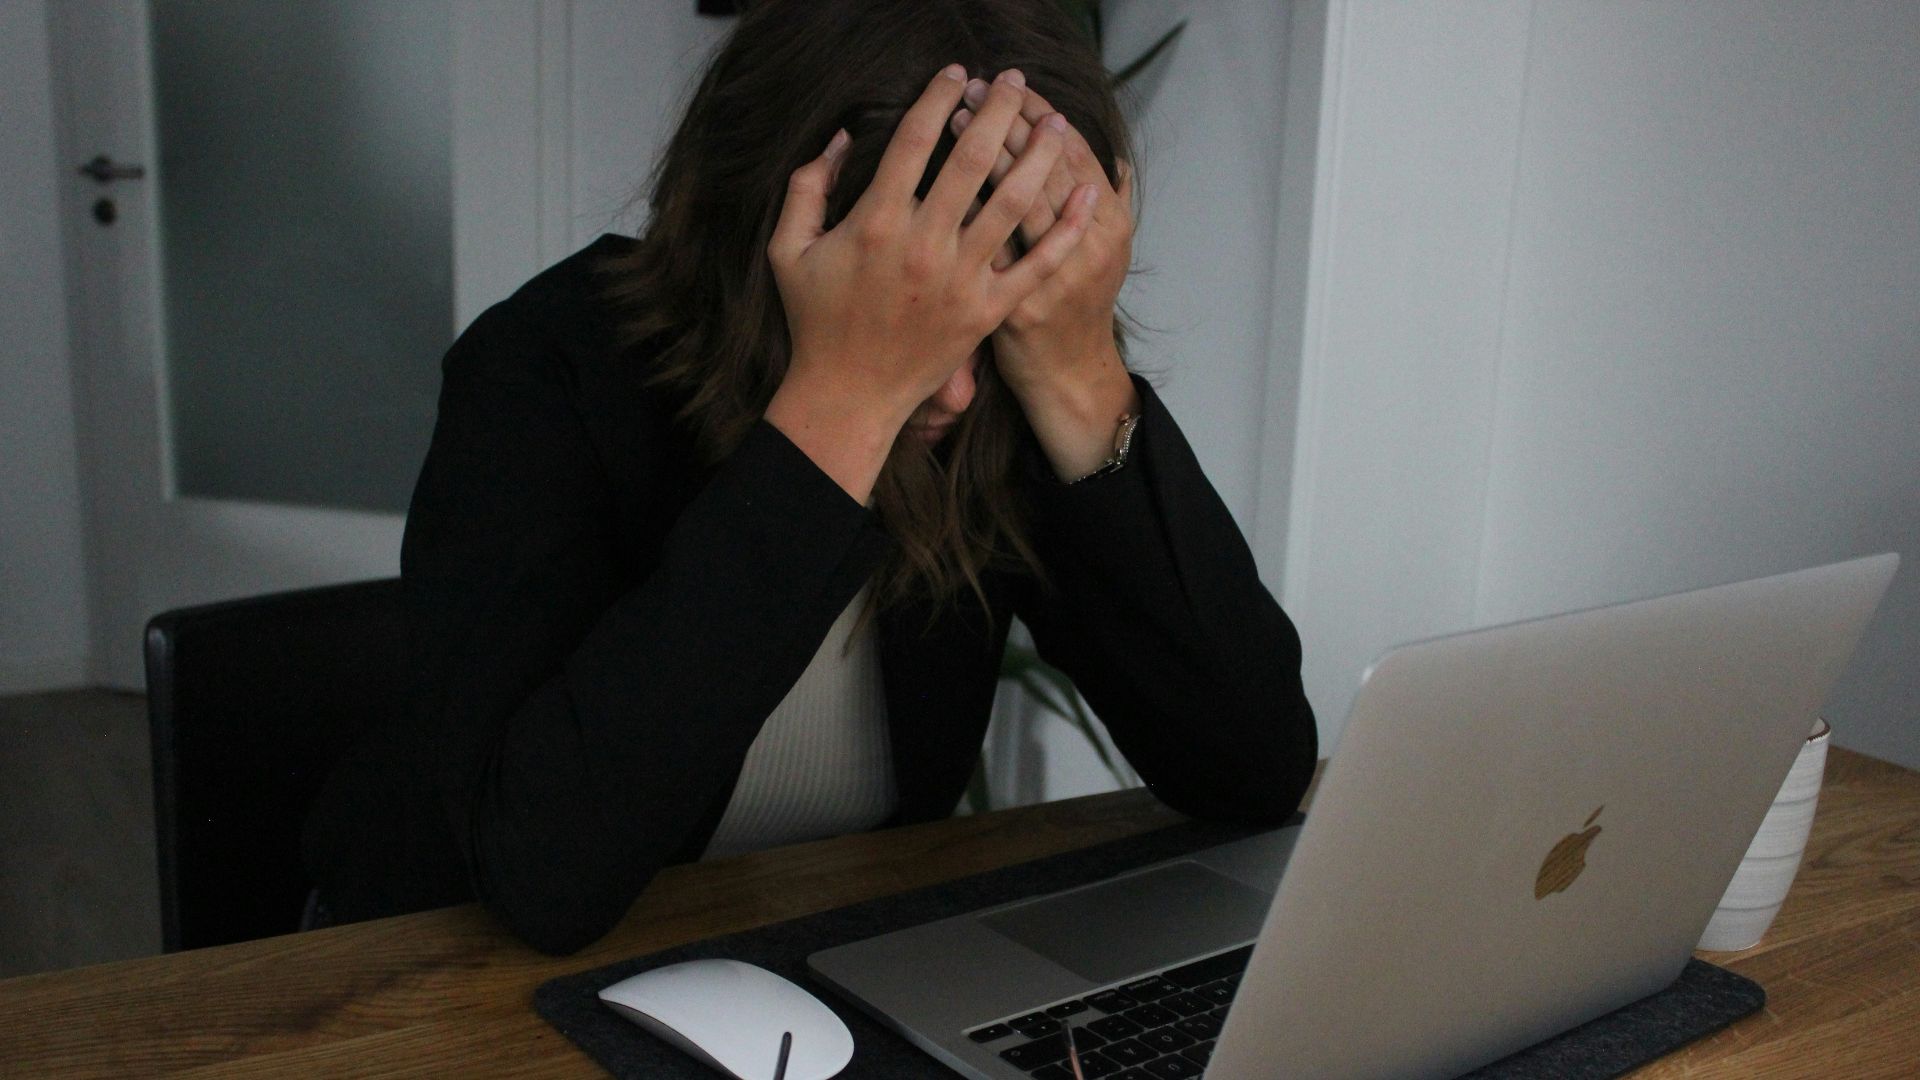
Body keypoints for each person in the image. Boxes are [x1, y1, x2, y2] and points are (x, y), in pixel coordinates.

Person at [303, 0, 1315, 957]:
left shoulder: (1008, 389)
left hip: (804, 960)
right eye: (907, 309)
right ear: (762, 239)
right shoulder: (542, 366)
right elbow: (544, 875)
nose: (956, 391)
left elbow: (1253, 770)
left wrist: (1079, 374)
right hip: (440, 976)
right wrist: (841, 412)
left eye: (993, 312)